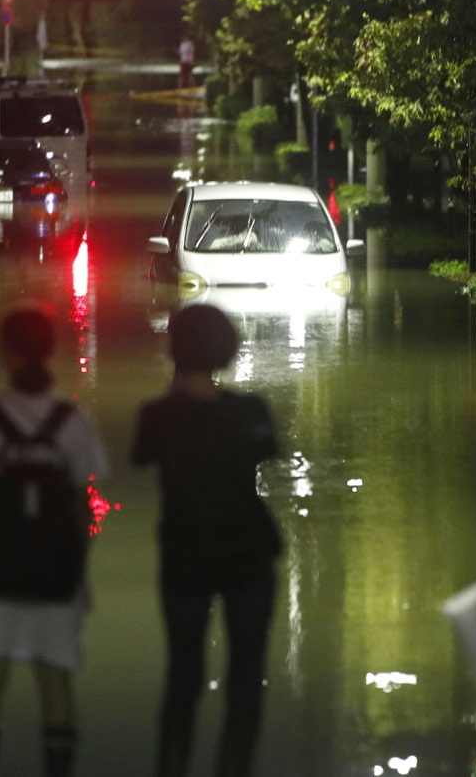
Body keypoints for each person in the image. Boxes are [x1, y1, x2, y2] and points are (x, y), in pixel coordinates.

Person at [0, 303, 108, 777]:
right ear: (51, 350)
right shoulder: (72, 422)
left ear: (4, 352)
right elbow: (88, 506)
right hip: (56, 572)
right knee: (56, 682)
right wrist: (81, 569)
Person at [132, 304, 282, 777]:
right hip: (249, 555)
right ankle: (234, 767)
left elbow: (146, 459)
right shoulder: (251, 411)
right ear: (228, 350)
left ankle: (172, 765)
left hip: (184, 555)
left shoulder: (156, 416)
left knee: (182, 676)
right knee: (246, 680)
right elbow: (265, 453)